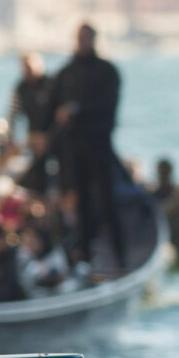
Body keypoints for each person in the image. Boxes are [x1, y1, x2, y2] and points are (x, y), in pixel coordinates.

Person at [47, 23, 127, 267]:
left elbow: (108, 109)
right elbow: (51, 108)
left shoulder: (107, 72)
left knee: (106, 200)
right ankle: (84, 255)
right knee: (79, 202)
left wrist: (77, 111)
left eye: (86, 38)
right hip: (73, 149)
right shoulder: (65, 74)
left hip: (99, 146)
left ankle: (119, 256)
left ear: (93, 39)